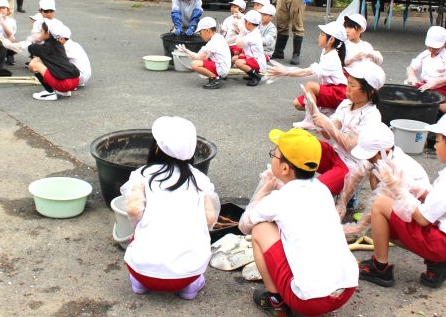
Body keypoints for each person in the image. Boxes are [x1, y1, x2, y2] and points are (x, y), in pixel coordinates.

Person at [238, 128, 358, 315]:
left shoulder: (279, 199)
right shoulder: (322, 190)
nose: (272, 158)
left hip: (310, 301)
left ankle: (275, 300)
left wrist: (265, 189)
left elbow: (244, 225)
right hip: (345, 291)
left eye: (274, 155)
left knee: (260, 229)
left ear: (285, 168)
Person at [358, 111, 446, 289]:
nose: (434, 145)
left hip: (441, 243)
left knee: (380, 205)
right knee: (386, 223)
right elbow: (435, 200)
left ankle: (380, 268)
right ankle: (438, 266)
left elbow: (423, 218)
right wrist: (413, 187)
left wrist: (398, 190)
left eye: (438, 140)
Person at [122, 116, 220, 300]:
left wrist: (140, 228)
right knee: (194, 256)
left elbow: (134, 210)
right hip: (187, 273)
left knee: (137, 238)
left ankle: (139, 284)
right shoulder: (200, 180)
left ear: (156, 148)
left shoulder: (143, 175)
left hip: (142, 271)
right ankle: (189, 289)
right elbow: (210, 218)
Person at [312, 61, 386, 216]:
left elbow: (351, 145)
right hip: (335, 154)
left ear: (370, 92)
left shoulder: (372, 116)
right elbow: (330, 131)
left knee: (316, 190)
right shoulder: (346, 104)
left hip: (351, 164)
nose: (347, 88)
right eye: (348, 83)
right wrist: (320, 124)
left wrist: (328, 126)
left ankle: (347, 193)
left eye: (353, 85)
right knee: (300, 144)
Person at [343, 122, 430, 239]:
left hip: (414, 215)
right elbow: (358, 174)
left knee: (379, 203)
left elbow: (381, 196)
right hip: (397, 199)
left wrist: (359, 228)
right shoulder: (386, 155)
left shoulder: (401, 168)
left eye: (370, 155)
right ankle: (379, 219)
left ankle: (387, 226)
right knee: (372, 171)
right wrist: (342, 203)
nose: (368, 159)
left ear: (386, 152)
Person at [267, 21, 347, 126]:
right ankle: (329, 112)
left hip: (339, 93)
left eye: (322, 35)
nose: (319, 37)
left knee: (310, 86)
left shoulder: (332, 57)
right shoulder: (325, 52)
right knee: (297, 104)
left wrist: (284, 72)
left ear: (331, 40)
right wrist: (284, 72)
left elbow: (307, 72)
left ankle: (311, 121)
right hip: (330, 90)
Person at [27, 21, 80, 101]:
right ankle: (65, 92)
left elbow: (28, 48)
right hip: (75, 80)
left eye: (41, 31)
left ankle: (50, 92)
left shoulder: (43, 48)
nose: (40, 33)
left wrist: (32, 40)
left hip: (64, 84)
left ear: (47, 33)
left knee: (34, 64)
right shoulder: (60, 45)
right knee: (52, 63)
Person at [406, 25, 446, 102]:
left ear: (444, 44)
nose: (431, 50)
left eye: (435, 48)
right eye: (429, 47)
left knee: (428, 101)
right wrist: (411, 75)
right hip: (425, 85)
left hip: (441, 89)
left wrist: (436, 82)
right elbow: (412, 67)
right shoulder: (425, 54)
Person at [179, 17, 230, 89]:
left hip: (221, 69)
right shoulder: (218, 37)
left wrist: (187, 52)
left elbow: (199, 58)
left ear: (207, 30)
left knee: (195, 64)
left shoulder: (213, 43)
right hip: (223, 66)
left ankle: (215, 79)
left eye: (200, 32)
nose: (200, 35)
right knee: (203, 60)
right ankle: (217, 76)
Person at [233, 10, 267, 86]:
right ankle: (251, 73)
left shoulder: (252, 35)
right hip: (253, 58)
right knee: (235, 59)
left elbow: (238, 44)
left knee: (238, 63)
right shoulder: (254, 30)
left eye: (245, 21)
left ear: (248, 23)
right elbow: (247, 25)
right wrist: (240, 16)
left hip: (258, 62)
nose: (244, 23)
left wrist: (240, 33)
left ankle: (256, 76)